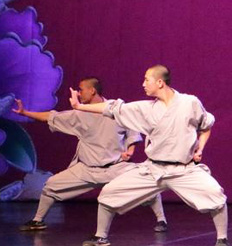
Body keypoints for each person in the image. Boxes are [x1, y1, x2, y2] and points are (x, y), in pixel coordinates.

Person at [69, 65, 229, 246]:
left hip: (183, 170)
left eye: (146, 80)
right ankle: (100, 237)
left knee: (215, 194)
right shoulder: (146, 108)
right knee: (109, 192)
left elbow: (206, 125)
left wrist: (200, 148)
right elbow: (113, 108)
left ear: (160, 82)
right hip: (153, 169)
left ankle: (222, 238)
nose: (143, 84)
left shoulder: (190, 102)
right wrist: (80, 106)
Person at [13, 77, 166, 232]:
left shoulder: (114, 108)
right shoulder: (79, 114)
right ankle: (38, 220)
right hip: (86, 170)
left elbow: (132, 129)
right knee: (51, 185)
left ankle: (161, 220)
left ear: (92, 90)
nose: (78, 93)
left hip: (115, 168)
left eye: (81, 90)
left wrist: (130, 149)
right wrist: (25, 112)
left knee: (146, 181)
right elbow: (51, 117)